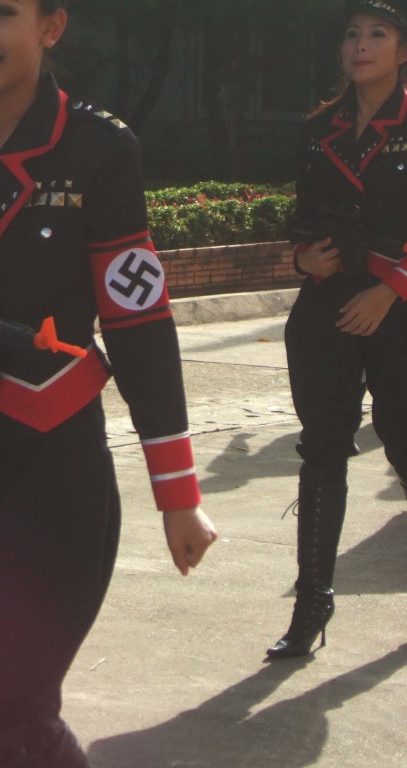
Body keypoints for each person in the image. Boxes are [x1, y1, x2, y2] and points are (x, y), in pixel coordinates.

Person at [0, 1, 218, 765]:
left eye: (3, 12)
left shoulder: (99, 147)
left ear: (52, 26)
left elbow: (137, 320)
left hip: (51, 476)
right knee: (12, 711)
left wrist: (178, 495)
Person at [267, 0, 407, 660]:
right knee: (322, 448)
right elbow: (300, 218)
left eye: (378, 34)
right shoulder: (319, 129)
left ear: (402, 50)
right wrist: (303, 257)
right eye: (352, 34)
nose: (361, 45)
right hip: (327, 304)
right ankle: (312, 602)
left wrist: (393, 289)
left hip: (398, 305)